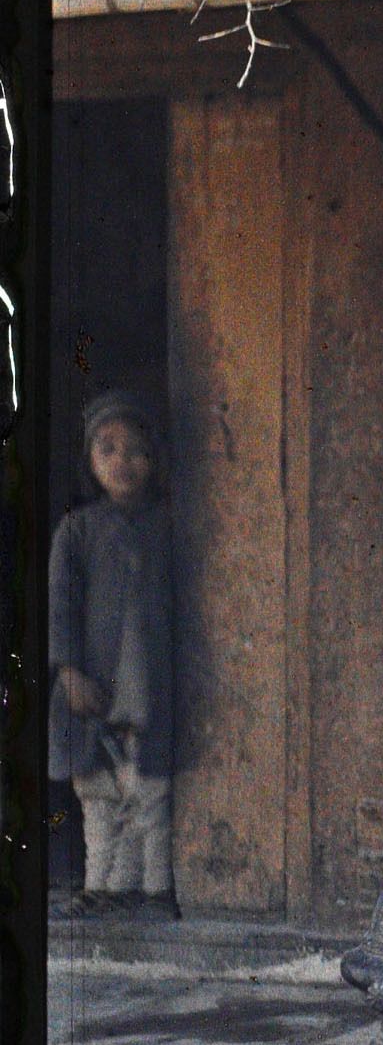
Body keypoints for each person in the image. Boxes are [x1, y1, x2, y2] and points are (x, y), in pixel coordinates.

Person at [49, 389, 176, 916]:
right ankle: (104, 886)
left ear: (154, 460)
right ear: (90, 460)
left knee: (149, 792)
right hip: (93, 684)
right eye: (108, 448)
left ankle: (152, 890)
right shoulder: (77, 532)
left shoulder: (167, 528)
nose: (122, 461)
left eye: (135, 450)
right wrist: (70, 670)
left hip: (146, 683)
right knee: (99, 793)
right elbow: (60, 606)